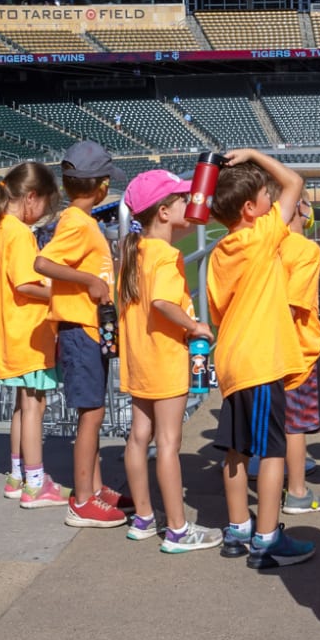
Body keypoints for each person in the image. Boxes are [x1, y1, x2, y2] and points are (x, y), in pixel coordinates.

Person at [205, 148, 315, 568]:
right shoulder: (262, 234)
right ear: (251, 209)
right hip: (262, 359)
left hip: (232, 359)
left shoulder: (219, 253)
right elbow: (294, 184)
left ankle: (238, 530)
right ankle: (267, 539)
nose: (273, 199)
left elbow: (218, 310)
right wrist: (253, 154)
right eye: (264, 197)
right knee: (271, 452)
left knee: (236, 449)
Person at [116, 169, 223, 552]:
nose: (189, 204)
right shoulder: (164, 254)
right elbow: (162, 302)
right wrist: (194, 325)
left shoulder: (134, 251)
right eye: (181, 200)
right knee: (168, 445)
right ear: (163, 212)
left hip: (140, 361)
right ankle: (177, 529)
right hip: (164, 360)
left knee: (138, 438)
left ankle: (144, 517)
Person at [35, 141, 123, 528]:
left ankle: (97, 488)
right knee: (91, 414)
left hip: (89, 328)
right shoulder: (75, 222)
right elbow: (44, 262)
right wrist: (88, 279)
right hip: (79, 329)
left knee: (95, 411)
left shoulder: (82, 221)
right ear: (101, 186)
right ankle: (83, 500)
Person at [0, 162, 64, 508]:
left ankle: (18, 475)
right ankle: (35, 482)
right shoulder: (18, 232)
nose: (44, 214)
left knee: (22, 407)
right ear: (31, 197)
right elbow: (25, 283)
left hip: (13, 334)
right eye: (46, 205)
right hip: (28, 335)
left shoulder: (3, 228)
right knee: (34, 406)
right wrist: (63, 293)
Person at [281, 197, 320, 515]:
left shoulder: (264, 245)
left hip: (261, 348)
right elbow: (291, 307)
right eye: (302, 202)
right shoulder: (304, 250)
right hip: (296, 350)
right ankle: (298, 492)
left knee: (276, 421)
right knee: (295, 426)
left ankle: (272, 469)